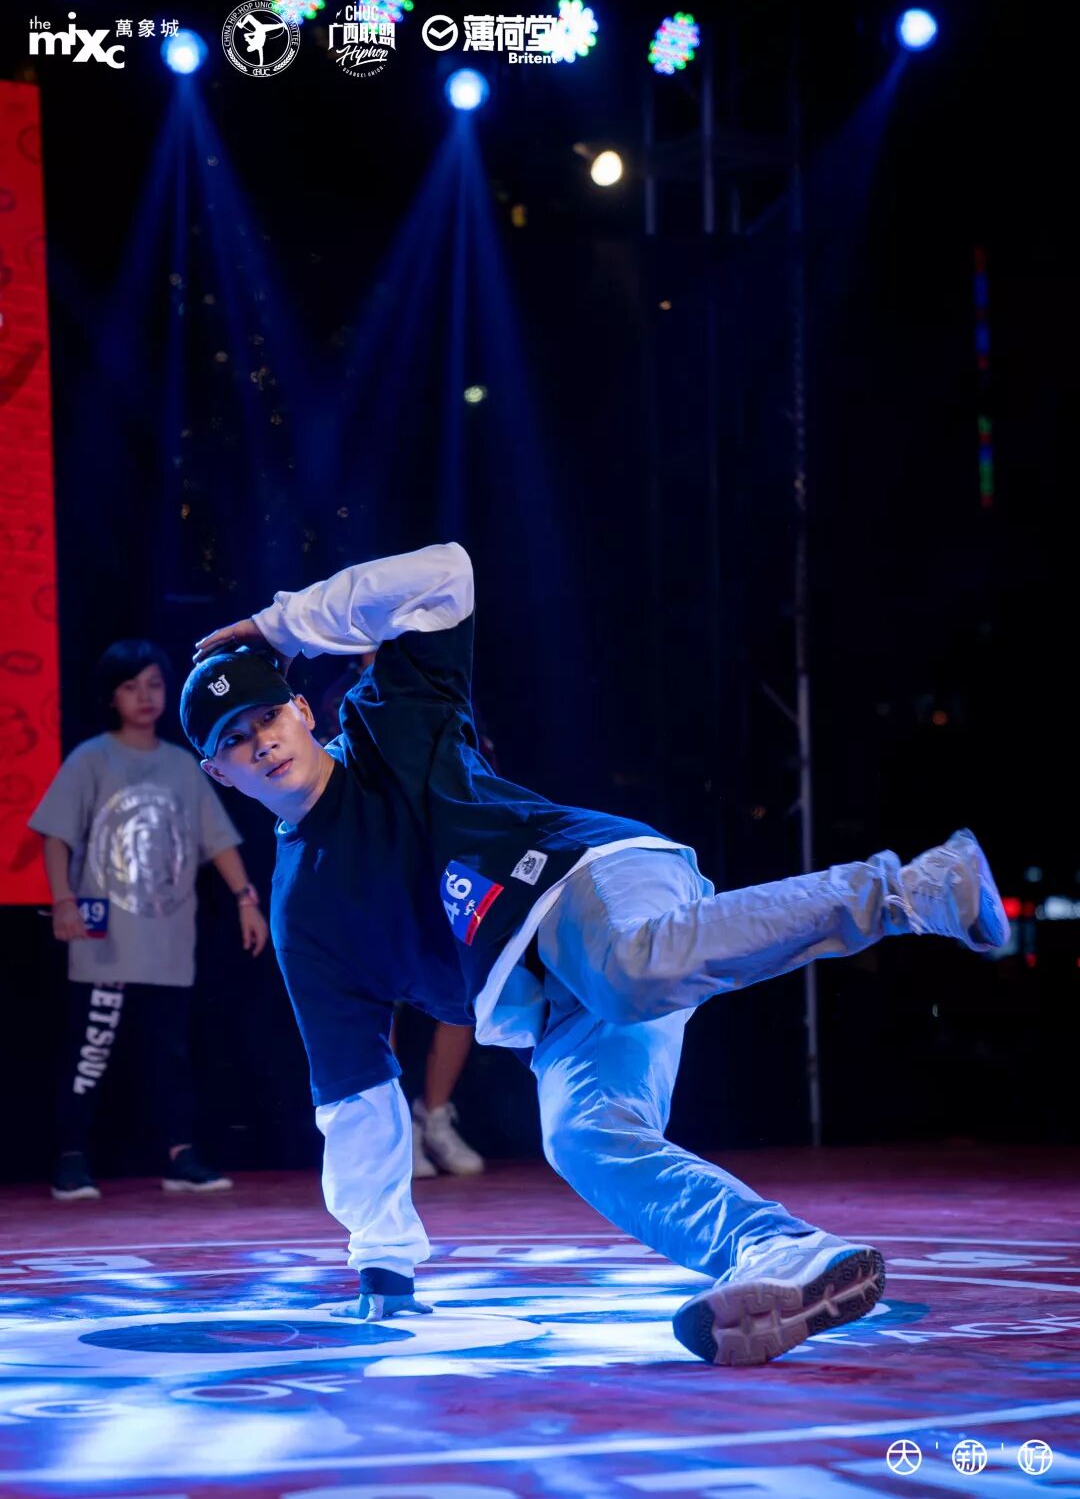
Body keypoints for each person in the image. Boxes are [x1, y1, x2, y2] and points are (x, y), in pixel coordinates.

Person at [179, 543, 1008, 1366]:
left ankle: (913, 889)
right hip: (559, 1009)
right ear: (218, 773)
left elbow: (447, 573)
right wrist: (383, 1266)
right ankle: (779, 1250)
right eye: (236, 740)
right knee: (583, 1135)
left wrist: (283, 624)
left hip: (590, 881)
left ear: (302, 708)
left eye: (268, 717)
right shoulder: (303, 914)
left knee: (628, 967)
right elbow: (355, 1089)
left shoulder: (391, 720)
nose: (262, 743)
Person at [30, 639, 270, 1202]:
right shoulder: (92, 758)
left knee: (170, 1055)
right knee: (90, 1052)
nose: (145, 696)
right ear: (111, 697)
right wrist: (63, 900)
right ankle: (72, 1159)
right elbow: (56, 834)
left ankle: (180, 1156)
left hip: (168, 940)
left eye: (155, 685)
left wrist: (246, 900)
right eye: (131, 686)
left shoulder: (183, 765)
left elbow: (217, 841)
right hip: (105, 941)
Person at [315, 654, 485, 1181]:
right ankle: (396, 1132)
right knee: (382, 999)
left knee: (464, 993)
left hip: (445, 854)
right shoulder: (337, 699)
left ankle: (435, 1115)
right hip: (373, 862)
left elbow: (472, 767)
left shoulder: (437, 680)